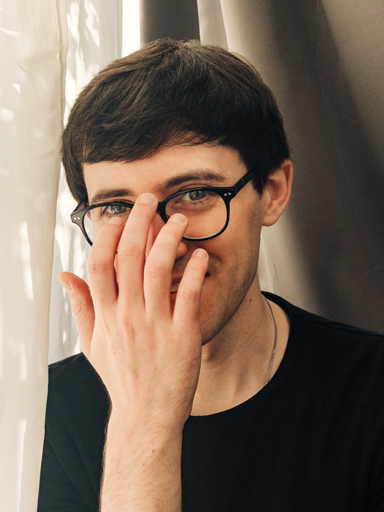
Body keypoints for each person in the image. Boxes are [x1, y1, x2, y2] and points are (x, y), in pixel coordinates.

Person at [38, 39, 384, 512]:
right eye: (117, 207)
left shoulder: (371, 395)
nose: (160, 246)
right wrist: (143, 421)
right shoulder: (39, 417)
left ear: (274, 191)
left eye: (195, 193)